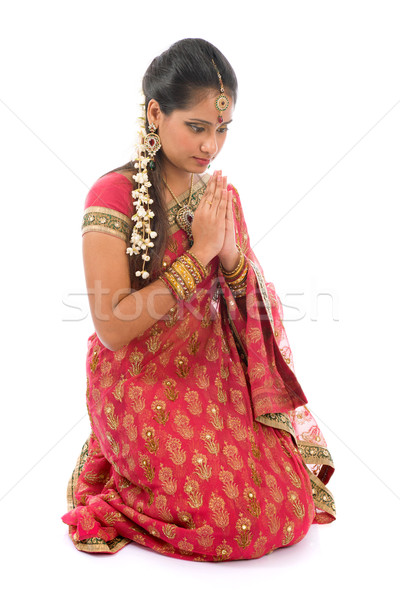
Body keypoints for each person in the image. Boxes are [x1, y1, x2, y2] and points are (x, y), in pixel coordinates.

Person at [61, 38, 336, 561]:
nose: (211, 146)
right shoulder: (113, 196)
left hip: (212, 374)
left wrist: (230, 258)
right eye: (197, 127)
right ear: (155, 113)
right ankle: (119, 484)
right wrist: (201, 252)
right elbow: (112, 328)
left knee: (287, 504)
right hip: (138, 380)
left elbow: (248, 305)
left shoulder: (219, 197)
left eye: (222, 130)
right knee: (226, 519)